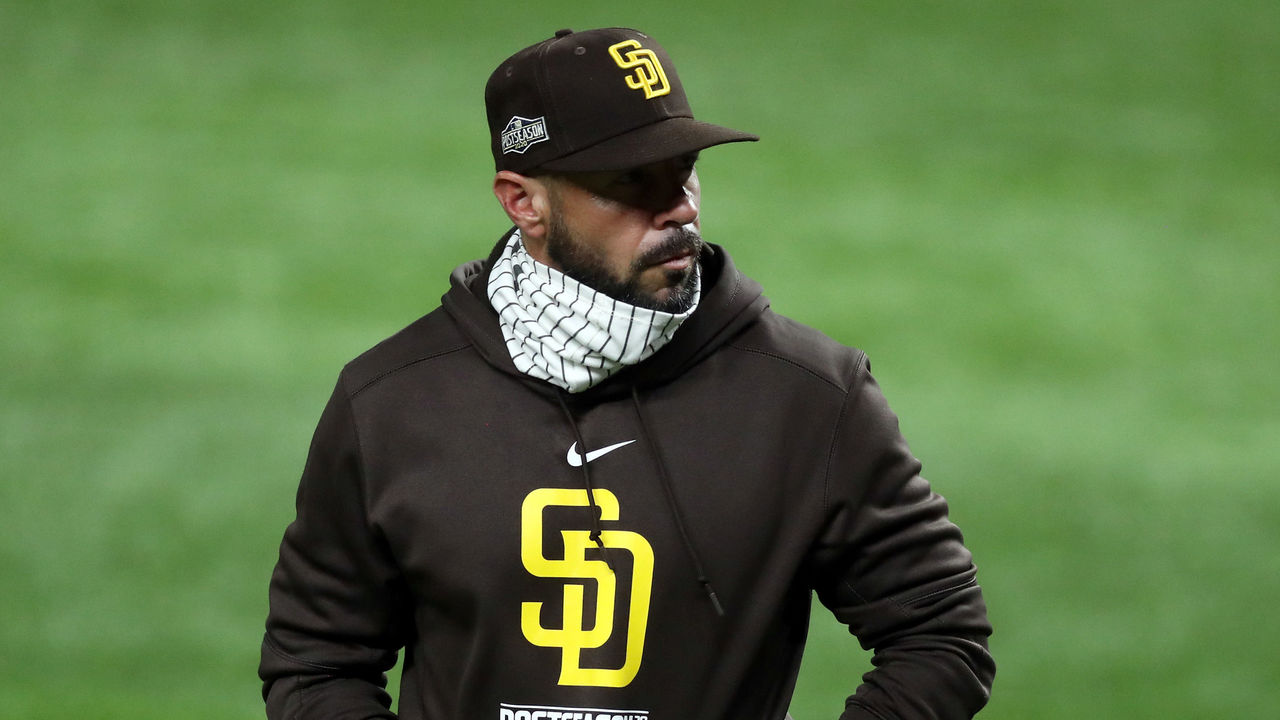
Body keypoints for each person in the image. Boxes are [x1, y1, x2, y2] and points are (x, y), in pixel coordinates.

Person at [259, 27, 995, 720]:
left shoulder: (809, 397)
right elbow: (316, 661)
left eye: (684, 171)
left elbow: (939, 636)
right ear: (524, 201)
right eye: (630, 182)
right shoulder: (393, 401)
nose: (678, 209)